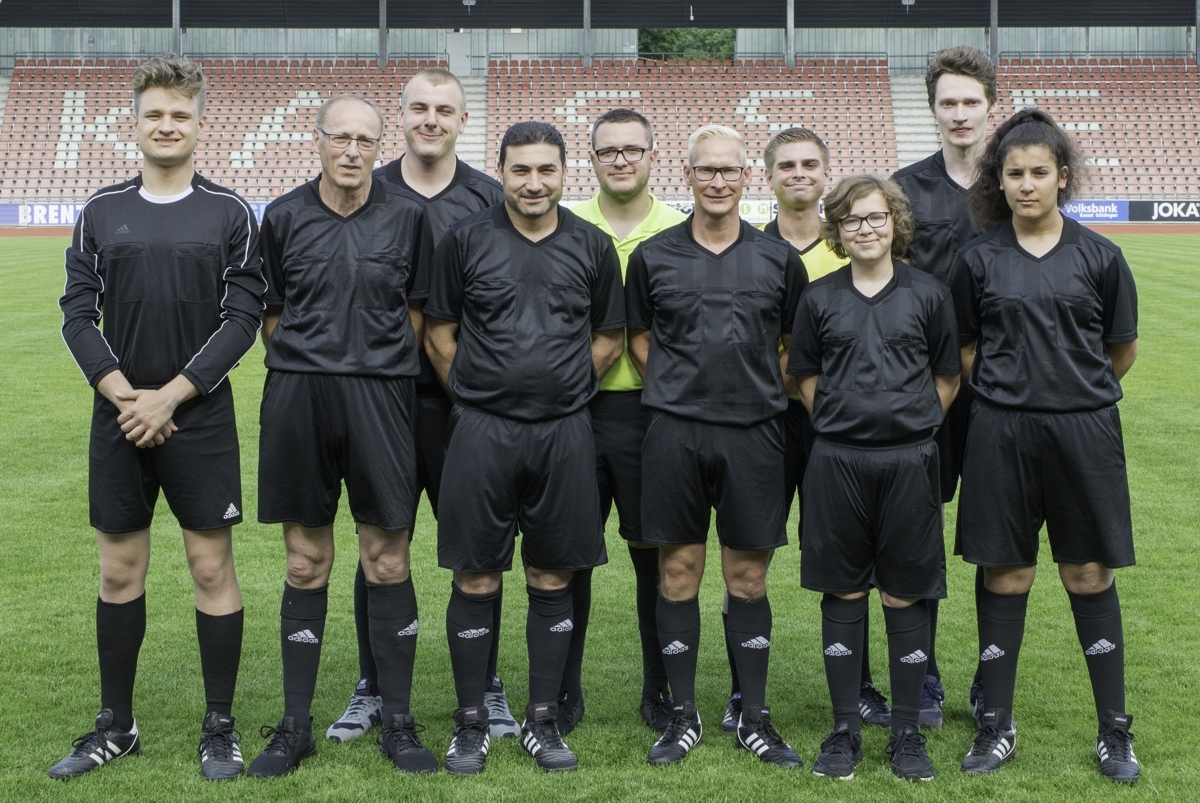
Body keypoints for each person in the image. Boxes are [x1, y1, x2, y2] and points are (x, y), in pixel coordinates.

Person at [53, 55, 264, 781]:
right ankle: (117, 722)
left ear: (199, 124)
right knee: (120, 569)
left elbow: (242, 319)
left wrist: (171, 395)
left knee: (211, 565)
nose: (166, 125)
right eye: (154, 115)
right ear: (134, 123)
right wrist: (125, 396)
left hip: (197, 416)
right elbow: (78, 315)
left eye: (180, 114)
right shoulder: (100, 212)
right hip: (119, 416)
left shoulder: (231, 212)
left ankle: (220, 725)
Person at [424, 121, 625, 775]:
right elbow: (439, 332)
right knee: (476, 572)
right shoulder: (465, 240)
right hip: (482, 430)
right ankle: (471, 721)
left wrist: (560, 394)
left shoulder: (592, 246)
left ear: (566, 172)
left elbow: (608, 338)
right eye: (521, 170)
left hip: (564, 432)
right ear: (501, 171)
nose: (533, 182)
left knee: (552, 573)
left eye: (546, 170)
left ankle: (542, 718)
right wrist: (479, 395)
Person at [326, 67, 517, 745]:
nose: (431, 119)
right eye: (418, 108)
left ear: (464, 120)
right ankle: (374, 684)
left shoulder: (492, 199)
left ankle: (487, 684)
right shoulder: (362, 191)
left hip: (469, 406)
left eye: (444, 109)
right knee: (380, 543)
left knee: (480, 550)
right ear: (399, 116)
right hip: (380, 400)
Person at [249, 94, 436, 777]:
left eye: (365, 140)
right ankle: (294, 725)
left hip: (383, 395)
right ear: (319, 140)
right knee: (305, 560)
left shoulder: (409, 217)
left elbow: (417, 311)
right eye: (341, 138)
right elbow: (271, 312)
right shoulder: (284, 215)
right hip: (299, 394)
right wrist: (315, 358)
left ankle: (399, 720)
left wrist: (371, 361)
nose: (352, 151)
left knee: (387, 556)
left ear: (377, 146)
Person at [951, 108, 1140, 783]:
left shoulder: (1101, 257)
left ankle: (1114, 730)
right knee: (1006, 570)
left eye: (1039, 172)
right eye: (1014, 173)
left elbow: (1121, 350)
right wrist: (1014, 392)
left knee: (1088, 573)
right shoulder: (976, 259)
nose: (1026, 184)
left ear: (1062, 177)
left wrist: (1068, 391)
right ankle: (995, 725)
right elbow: (965, 348)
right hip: (1001, 431)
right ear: (998, 182)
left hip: (1084, 430)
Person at [625, 124, 807, 768]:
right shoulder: (654, 256)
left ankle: (754, 715)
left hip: (756, 434)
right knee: (677, 572)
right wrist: (682, 389)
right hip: (673, 432)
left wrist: (748, 389)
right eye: (707, 171)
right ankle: (681, 717)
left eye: (730, 171)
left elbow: (795, 344)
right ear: (688, 174)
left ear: (747, 177)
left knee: (747, 577)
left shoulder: (779, 259)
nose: (719, 182)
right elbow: (640, 339)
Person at [788, 175, 961, 782]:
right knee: (843, 589)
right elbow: (802, 374)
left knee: (905, 591)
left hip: (910, 461)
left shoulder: (930, 294)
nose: (865, 228)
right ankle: (844, 730)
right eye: (852, 220)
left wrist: (911, 425)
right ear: (836, 230)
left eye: (876, 217)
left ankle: (908, 733)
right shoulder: (820, 299)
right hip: (836, 461)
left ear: (895, 222)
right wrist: (844, 419)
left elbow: (947, 375)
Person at [733, 127, 894, 734]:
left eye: (809, 164)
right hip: (766, 425)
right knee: (748, 559)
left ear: (826, 175)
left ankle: (864, 686)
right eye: (785, 166)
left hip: (840, 429)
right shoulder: (751, 248)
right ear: (768, 177)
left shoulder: (853, 247)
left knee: (859, 559)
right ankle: (744, 693)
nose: (798, 174)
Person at [569, 107, 687, 735]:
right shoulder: (565, 224)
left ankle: (659, 687)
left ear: (651, 156)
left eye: (631, 150)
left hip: (651, 415)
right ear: (591, 159)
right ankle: (563, 689)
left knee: (655, 556)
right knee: (570, 552)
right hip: (576, 413)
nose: (620, 160)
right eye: (608, 151)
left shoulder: (679, 231)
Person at [891, 44, 998, 728]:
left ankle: (992, 676)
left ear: (992, 106)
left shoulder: (1014, 181)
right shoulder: (905, 186)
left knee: (996, 537)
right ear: (932, 110)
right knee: (915, 533)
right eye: (948, 102)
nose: (959, 114)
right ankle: (920, 672)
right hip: (924, 388)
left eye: (970, 101)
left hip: (998, 393)